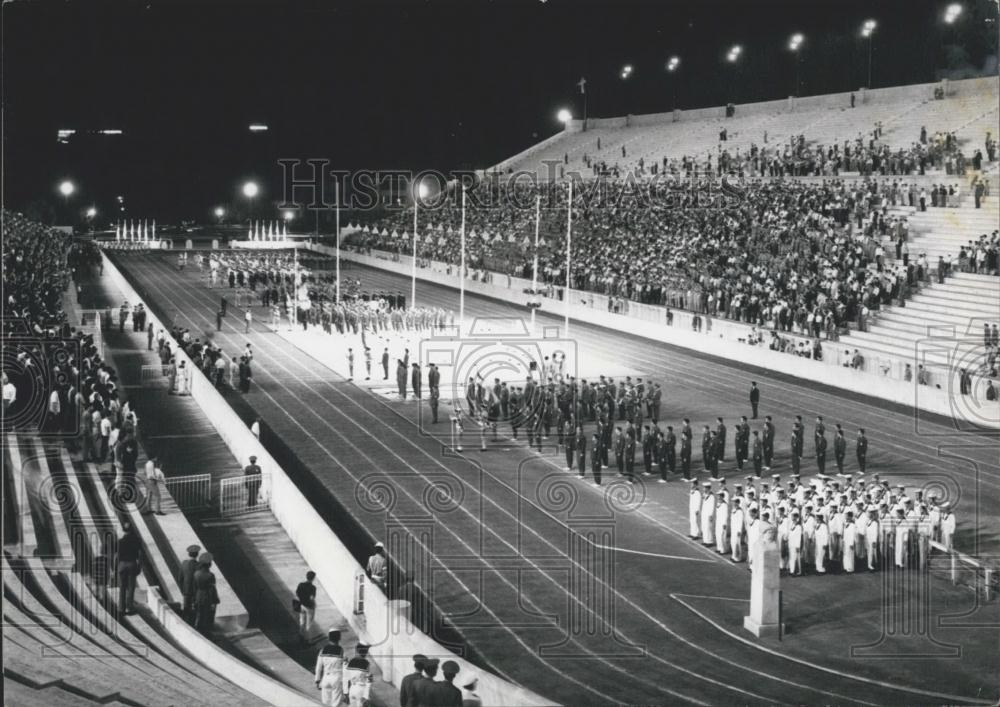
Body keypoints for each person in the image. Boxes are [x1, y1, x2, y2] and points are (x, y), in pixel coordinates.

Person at [116, 521, 142, 615]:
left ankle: (121, 608)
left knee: (122, 586)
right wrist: (139, 566)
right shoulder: (137, 540)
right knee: (131, 587)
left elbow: (118, 555)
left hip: (122, 564)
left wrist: (118, 566)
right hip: (132, 563)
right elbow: (139, 555)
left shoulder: (120, 541)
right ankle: (129, 607)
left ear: (124, 530)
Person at [314, 629, 345, 706]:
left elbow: (318, 667)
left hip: (325, 678)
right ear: (339, 638)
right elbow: (344, 667)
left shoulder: (322, 650)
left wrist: (317, 680)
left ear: (329, 638)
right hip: (336, 678)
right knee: (336, 703)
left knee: (325, 703)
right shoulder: (341, 650)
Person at [193, 551, 220, 633]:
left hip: (198, 596)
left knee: (199, 615)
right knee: (208, 617)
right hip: (207, 598)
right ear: (209, 564)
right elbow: (212, 589)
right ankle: (207, 633)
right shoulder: (210, 575)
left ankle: (199, 631)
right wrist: (214, 601)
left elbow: (194, 587)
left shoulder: (196, 573)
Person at [179, 544, 200, 623]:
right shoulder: (199, 565)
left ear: (188, 554)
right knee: (195, 610)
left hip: (186, 591)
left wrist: (183, 590)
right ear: (197, 554)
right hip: (196, 592)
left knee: (186, 609)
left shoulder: (184, 563)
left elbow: (180, 579)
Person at [296, 571, 318, 642]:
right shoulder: (313, 588)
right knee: (309, 624)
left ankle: (301, 635)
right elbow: (311, 598)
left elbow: (297, 593)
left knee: (302, 621)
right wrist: (314, 604)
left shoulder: (300, 585)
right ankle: (309, 640)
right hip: (309, 607)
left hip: (302, 605)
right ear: (313, 578)